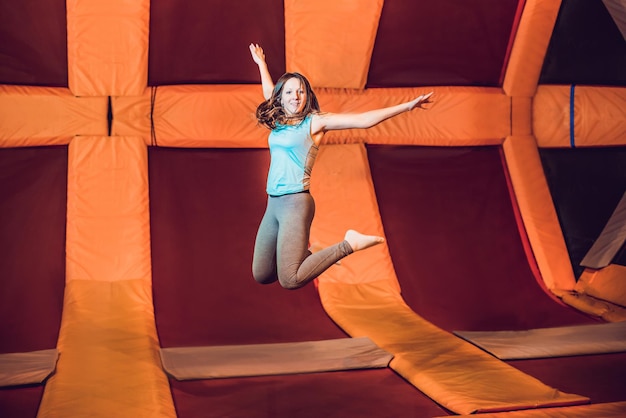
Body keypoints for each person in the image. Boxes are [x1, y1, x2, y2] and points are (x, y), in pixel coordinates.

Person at [249, 43, 433, 290]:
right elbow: (269, 92)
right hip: (273, 203)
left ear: (307, 97)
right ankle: (313, 255)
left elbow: (364, 121)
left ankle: (349, 243)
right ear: (281, 97)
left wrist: (407, 106)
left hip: (296, 204)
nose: (296, 97)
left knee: (290, 280)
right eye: (290, 92)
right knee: (262, 273)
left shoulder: (315, 122)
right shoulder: (279, 120)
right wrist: (261, 63)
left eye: (301, 92)